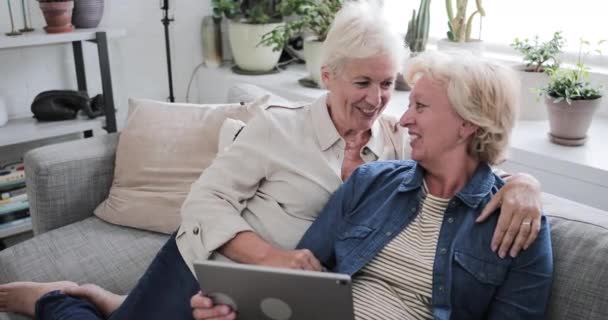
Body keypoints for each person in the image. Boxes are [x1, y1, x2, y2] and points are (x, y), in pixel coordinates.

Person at [0, 1, 543, 319]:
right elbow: (205, 204)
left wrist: (524, 183)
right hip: (209, 262)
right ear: (328, 75)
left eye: (387, 85)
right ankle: (64, 299)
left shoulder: (397, 149)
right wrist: (270, 260)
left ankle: (109, 300)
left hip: (269, 296)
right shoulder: (280, 127)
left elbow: (474, 160)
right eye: (362, 82)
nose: (382, 102)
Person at [191, 51, 553, 320]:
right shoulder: (369, 182)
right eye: (408, 104)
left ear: (467, 124)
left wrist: (525, 182)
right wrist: (235, 310)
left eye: (421, 106)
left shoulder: (518, 225)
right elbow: (297, 284)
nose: (405, 119)